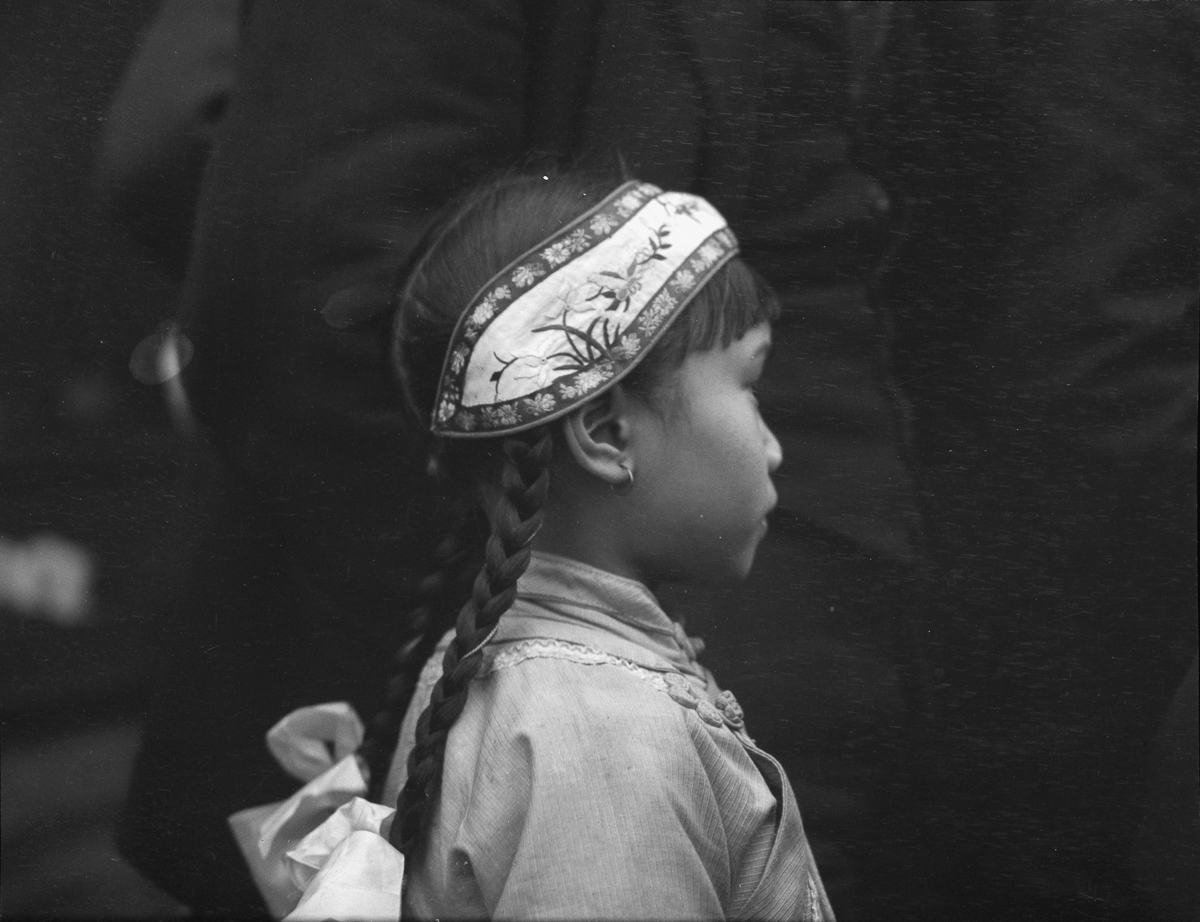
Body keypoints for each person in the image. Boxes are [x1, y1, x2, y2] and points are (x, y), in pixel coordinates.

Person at [234, 172, 836, 921]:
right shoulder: (607, 744)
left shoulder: (515, 675)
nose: (773, 446)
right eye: (750, 381)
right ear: (607, 433)